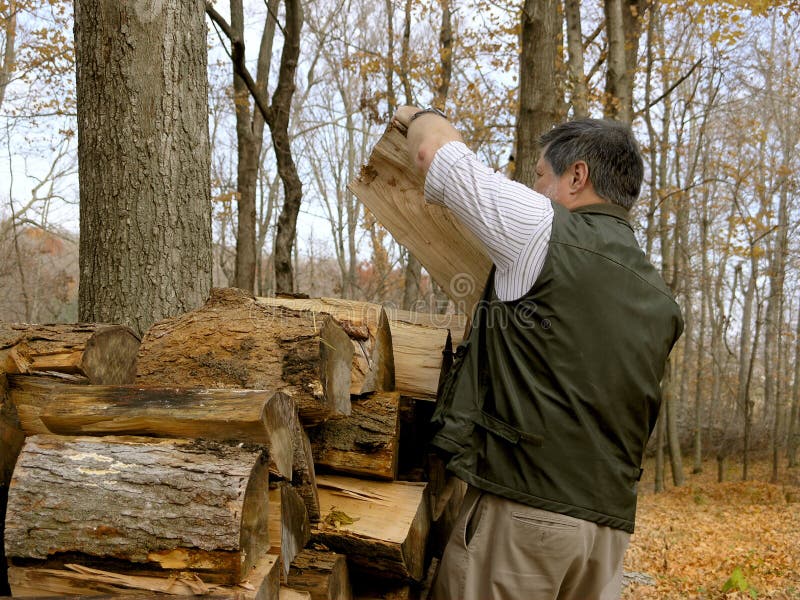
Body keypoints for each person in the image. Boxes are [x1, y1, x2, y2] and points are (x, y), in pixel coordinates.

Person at [392, 106, 684, 600]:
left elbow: (432, 151)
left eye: (540, 176)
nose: (535, 190)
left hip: (522, 519)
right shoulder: (659, 298)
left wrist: (418, 113)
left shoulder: (540, 228)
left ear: (577, 176)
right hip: (606, 539)